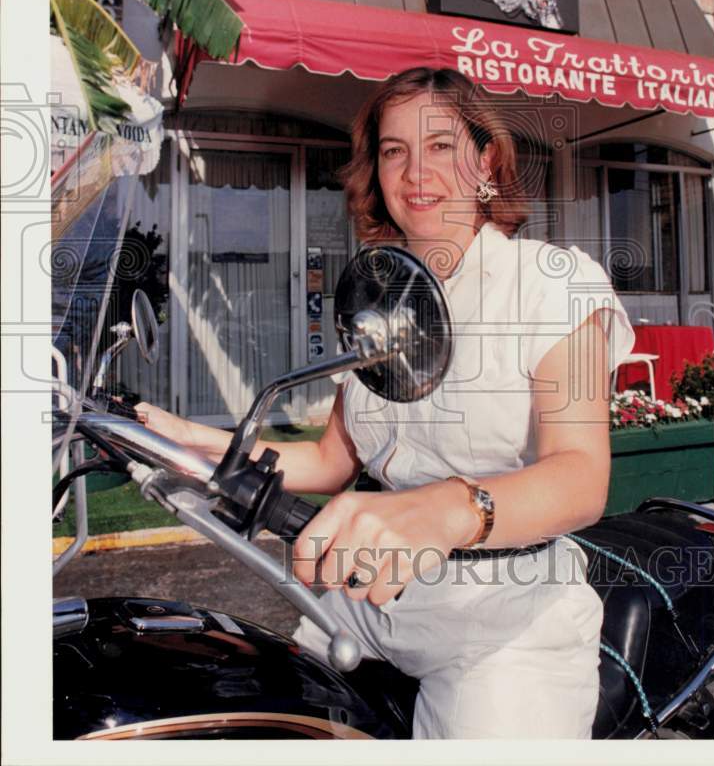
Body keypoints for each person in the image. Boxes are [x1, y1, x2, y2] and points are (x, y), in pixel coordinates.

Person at [136, 67, 634, 739]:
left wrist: (451, 509)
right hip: (369, 603)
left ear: (487, 158)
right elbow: (326, 459)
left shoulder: (554, 283)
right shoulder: (380, 295)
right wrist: (201, 443)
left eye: (439, 146)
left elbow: (580, 476)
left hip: (506, 621)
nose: (415, 172)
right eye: (394, 150)